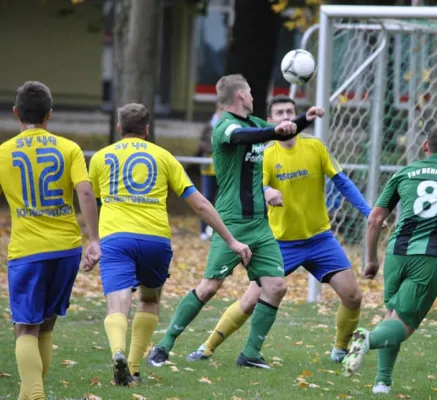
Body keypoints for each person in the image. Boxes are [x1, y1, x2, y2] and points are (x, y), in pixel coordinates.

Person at [147, 75, 325, 369]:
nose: (253, 96)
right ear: (241, 95)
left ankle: (250, 354)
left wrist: (305, 118)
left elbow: (278, 134)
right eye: (251, 92)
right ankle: (164, 346)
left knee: (277, 286)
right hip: (231, 221)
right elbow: (242, 137)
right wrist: (274, 129)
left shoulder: (255, 123)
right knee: (209, 287)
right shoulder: (225, 126)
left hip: (260, 223)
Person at [186, 94, 372, 364]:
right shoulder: (264, 153)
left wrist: (368, 212)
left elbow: (342, 181)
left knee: (353, 296)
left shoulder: (316, 147)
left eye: (289, 111)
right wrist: (266, 190)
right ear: (271, 120)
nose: (285, 116)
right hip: (280, 242)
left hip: (320, 239)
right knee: (251, 299)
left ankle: (340, 350)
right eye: (279, 113)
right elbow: (250, 186)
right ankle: (207, 347)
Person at [89, 103, 251, 386]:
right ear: (147, 130)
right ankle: (135, 370)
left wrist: (91, 240)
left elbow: (90, 198)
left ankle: (118, 351)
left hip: (116, 238)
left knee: (117, 304)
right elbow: (199, 204)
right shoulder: (163, 157)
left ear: (119, 128)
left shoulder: (101, 158)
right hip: (155, 240)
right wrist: (231, 239)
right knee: (149, 300)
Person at [341, 123, 437, 394]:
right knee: (404, 325)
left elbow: (375, 219)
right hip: (431, 257)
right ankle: (367, 341)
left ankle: (382, 383)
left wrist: (371, 260)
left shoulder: (406, 171)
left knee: (393, 315)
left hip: (396, 253)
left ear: (425, 146)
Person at [0, 81, 101, 400]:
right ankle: (29, 392)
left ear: (16, 112)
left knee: (25, 327)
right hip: (66, 248)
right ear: (50, 115)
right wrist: (94, 239)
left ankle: (34, 393)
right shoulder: (69, 148)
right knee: (46, 325)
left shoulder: (4, 152)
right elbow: (85, 191)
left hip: (27, 251)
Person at [197, 106, 221, 240]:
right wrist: (212, 148)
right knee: (206, 199)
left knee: (221, 201)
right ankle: (203, 230)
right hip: (208, 169)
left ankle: (217, 232)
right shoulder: (209, 126)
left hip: (222, 170)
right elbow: (201, 142)